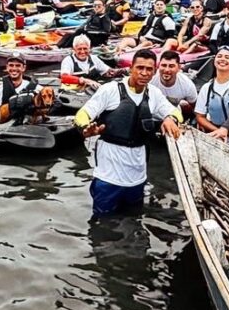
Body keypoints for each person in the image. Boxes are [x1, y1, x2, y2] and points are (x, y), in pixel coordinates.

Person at [73, 50, 182, 216]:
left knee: (134, 219)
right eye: (140, 68)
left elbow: (176, 113)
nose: (144, 73)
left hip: (137, 177)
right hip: (108, 177)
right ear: (131, 68)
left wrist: (170, 118)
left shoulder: (154, 94)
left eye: (149, 69)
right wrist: (86, 128)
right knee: (103, 223)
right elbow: (82, 114)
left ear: (154, 71)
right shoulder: (110, 90)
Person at [0, 54, 42, 120]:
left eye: (18, 65)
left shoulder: (37, 89)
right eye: (11, 65)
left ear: (24, 68)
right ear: (7, 67)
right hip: (6, 124)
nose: (14, 68)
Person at [151, 50, 199, 117]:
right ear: (158, 66)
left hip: (173, 115)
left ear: (179, 68)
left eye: (171, 66)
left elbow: (196, 107)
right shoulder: (150, 78)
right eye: (164, 65)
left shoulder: (187, 84)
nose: (167, 70)